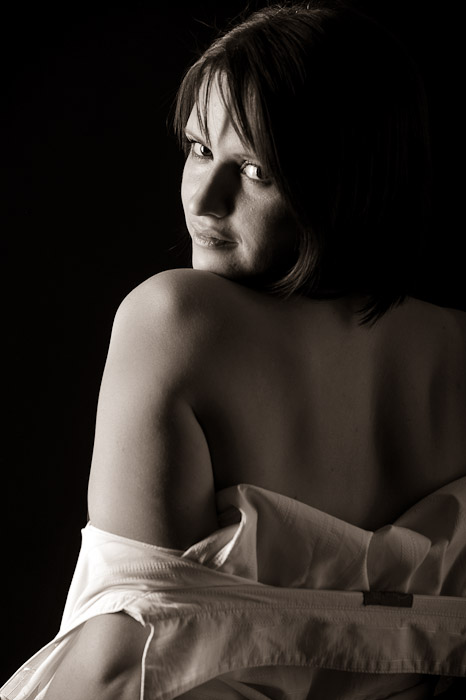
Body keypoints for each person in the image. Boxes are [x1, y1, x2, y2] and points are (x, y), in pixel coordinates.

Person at [2, 2, 465, 699]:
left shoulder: (174, 319)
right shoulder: (454, 351)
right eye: (199, 149)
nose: (204, 199)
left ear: (348, 181)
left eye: (253, 169)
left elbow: (123, 659)